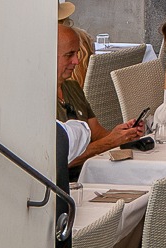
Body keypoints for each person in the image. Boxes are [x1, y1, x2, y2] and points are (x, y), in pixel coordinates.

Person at [56, 23, 141, 165]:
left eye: (77, 53)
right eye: (69, 55)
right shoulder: (39, 100)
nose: (76, 61)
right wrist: (110, 142)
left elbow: (97, 134)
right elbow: (59, 159)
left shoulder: (72, 88)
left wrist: (123, 134)